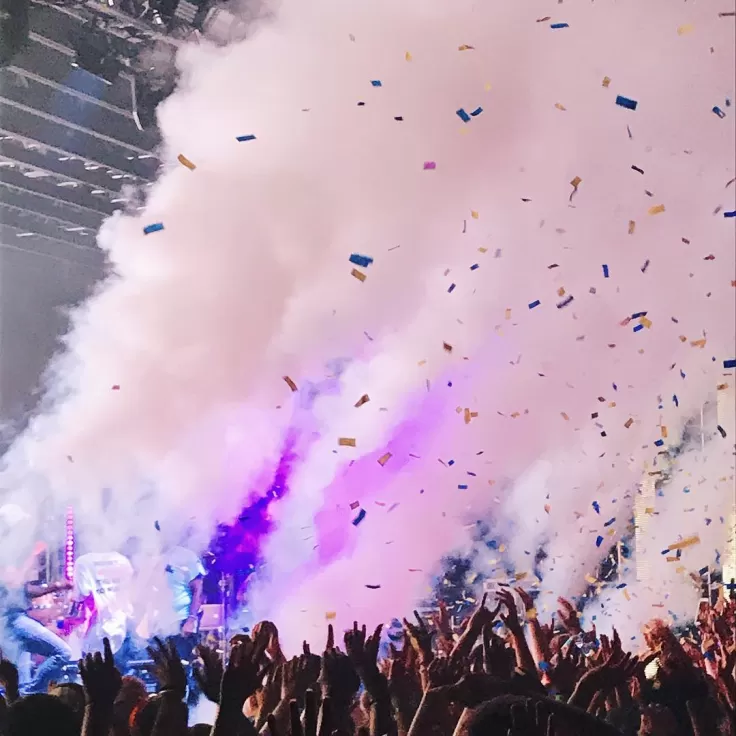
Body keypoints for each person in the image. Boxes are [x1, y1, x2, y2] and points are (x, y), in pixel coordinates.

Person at [0, 504, 74, 695]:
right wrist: (33, 556)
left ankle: (24, 704)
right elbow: (15, 583)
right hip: (10, 621)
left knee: (19, 678)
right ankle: (32, 696)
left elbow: (23, 590)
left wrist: (55, 586)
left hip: (12, 620)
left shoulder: (10, 554)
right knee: (62, 653)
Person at [72, 549, 135, 657]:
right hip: (122, 626)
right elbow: (131, 592)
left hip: (97, 631)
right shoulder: (122, 560)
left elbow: (85, 597)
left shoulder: (83, 562)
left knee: (95, 670)